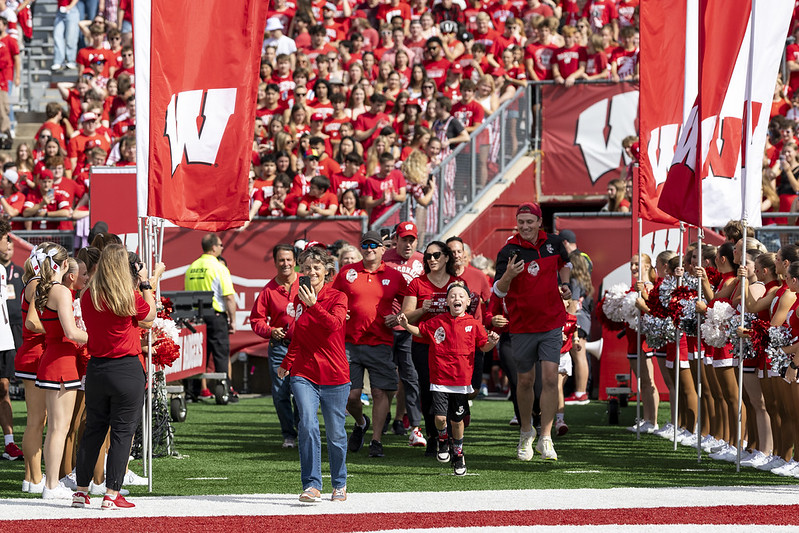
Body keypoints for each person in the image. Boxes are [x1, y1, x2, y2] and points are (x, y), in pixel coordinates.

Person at [73, 245, 164, 510]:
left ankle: (80, 492)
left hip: (98, 368)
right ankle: (111, 493)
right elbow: (150, 315)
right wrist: (146, 283)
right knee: (122, 434)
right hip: (125, 368)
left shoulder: (87, 294)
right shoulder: (127, 295)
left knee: (93, 432)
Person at [493, 202, 571, 462]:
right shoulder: (508, 251)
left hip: (551, 323)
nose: (525, 226)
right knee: (525, 381)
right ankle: (526, 433)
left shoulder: (555, 243)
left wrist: (566, 284)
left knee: (550, 379)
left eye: (530, 221)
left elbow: (566, 263)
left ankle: (545, 437)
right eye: (521, 222)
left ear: (539, 222)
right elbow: (498, 291)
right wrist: (508, 276)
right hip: (523, 326)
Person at [397, 281, 498, 475]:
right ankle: (442, 440)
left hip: (461, 382)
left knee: (457, 422)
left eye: (461, 296)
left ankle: (458, 454)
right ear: (447, 302)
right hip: (440, 379)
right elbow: (421, 331)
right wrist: (406, 325)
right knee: (440, 418)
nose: (456, 299)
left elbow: (483, 346)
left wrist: (492, 343)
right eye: (452, 296)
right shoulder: (437, 321)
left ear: (468, 302)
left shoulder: (474, 324)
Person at [277, 246, 349, 503]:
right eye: (306, 268)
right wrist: (287, 362)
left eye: (316, 268)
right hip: (304, 372)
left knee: (336, 433)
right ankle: (312, 485)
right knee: (306, 423)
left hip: (335, 374)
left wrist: (314, 305)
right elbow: (300, 335)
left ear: (327, 271)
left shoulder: (338, 297)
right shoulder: (299, 298)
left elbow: (333, 325)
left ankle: (339, 483)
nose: (311, 272)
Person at [332, 231, 407, 458]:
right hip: (349, 342)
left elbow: (411, 303)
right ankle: (360, 422)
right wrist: (338, 311)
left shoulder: (395, 276)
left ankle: (376, 441)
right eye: (365, 244)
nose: (370, 248)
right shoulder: (347, 272)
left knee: (379, 392)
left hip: (380, 342)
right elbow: (332, 297)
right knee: (351, 396)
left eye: (374, 245)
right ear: (361, 248)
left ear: (384, 249)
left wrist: (400, 316)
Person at [34, 243, 88, 499]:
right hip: (62, 362)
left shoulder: (45, 289)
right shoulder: (61, 292)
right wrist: (97, 337)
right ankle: (52, 485)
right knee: (59, 428)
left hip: (54, 358)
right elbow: (71, 332)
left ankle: (51, 482)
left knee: (56, 427)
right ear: (65, 265)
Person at [249, 244, 300, 448]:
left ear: (295, 261)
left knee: (302, 392)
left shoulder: (307, 282)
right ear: (275, 262)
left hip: (304, 347)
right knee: (280, 393)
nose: (285, 264)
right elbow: (256, 320)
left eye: (289, 259)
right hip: (279, 347)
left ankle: (303, 430)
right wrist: (270, 330)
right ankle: (289, 435)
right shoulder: (268, 290)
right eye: (281, 260)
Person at [383, 222, 426, 443]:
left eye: (412, 239)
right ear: (396, 239)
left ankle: (414, 425)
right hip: (385, 327)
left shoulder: (422, 260)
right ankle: (384, 416)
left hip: (410, 328)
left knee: (410, 377)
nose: (408, 244)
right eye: (404, 239)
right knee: (386, 377)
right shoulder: (384, 257)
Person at [184, 234, 236, 398]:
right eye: (221, 245)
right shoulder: (219, 267)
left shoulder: (191, 267)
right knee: (220, 355)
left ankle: (193, 392)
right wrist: (232, 320)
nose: (222, 248)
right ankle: (223, 391)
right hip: (215, 316)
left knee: (198, 355)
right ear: (214, 247)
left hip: (195, 318)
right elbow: (228, 297)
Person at [0, 218, 21, 462]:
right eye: (5, 237)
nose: (8, 242)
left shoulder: (10, 271)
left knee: (4, 388)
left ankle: (9, 443)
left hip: (6, 338)